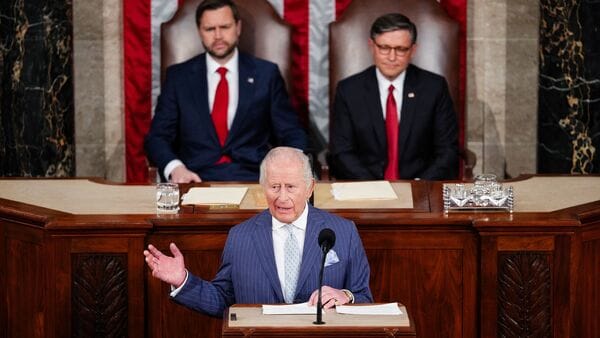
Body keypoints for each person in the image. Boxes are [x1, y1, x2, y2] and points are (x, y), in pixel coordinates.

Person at [143, 147, 373, 317]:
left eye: (291, 187)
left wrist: (346, 297)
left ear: (310, 187)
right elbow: (224, 301)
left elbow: (363, 297)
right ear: (263, 187)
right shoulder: (241, 237)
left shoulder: (343, 232)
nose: (282, 197)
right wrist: (183, 280)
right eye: (274, 187)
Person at [144, 0, 307, 183]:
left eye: (225, 27)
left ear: (238, 27)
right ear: (199, 32)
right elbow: (158, 137)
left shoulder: (266, 75)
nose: (218, 35)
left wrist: (291, 166)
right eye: (210, 29)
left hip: (254, 179)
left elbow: (290, 131)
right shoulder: (178, 77)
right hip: (194, 179)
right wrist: (176, 168)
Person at [329, 13, 459, 180]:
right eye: (384, 48)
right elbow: (341, 151)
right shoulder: (349, 90)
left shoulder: (434, 88)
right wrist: (374, 188)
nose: (391, 57)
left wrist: (420, 185)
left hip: (420, 189)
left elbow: (447, 150)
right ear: (372, 46)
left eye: (400, 49)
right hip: (365, 189)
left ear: (413, 50)